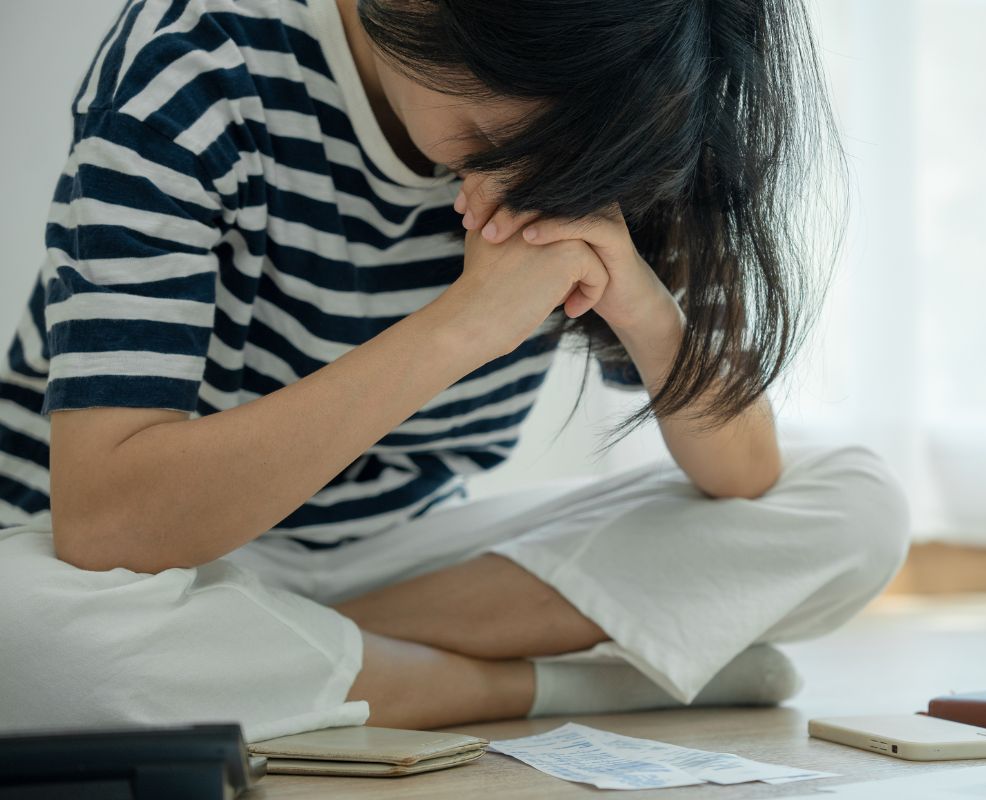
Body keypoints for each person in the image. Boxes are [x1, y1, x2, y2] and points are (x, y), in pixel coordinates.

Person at [0, 0, 909, 742]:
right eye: (503, 130)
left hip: (384, 556)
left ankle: (278, 656)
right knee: (24, 636)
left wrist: (640, 301)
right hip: (94, 564)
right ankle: (523, 687)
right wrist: (462, 327)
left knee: (855, 506)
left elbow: (745, 473)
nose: (550, 164)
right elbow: (108, 526)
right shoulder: (197, 59)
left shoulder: (644, 94)